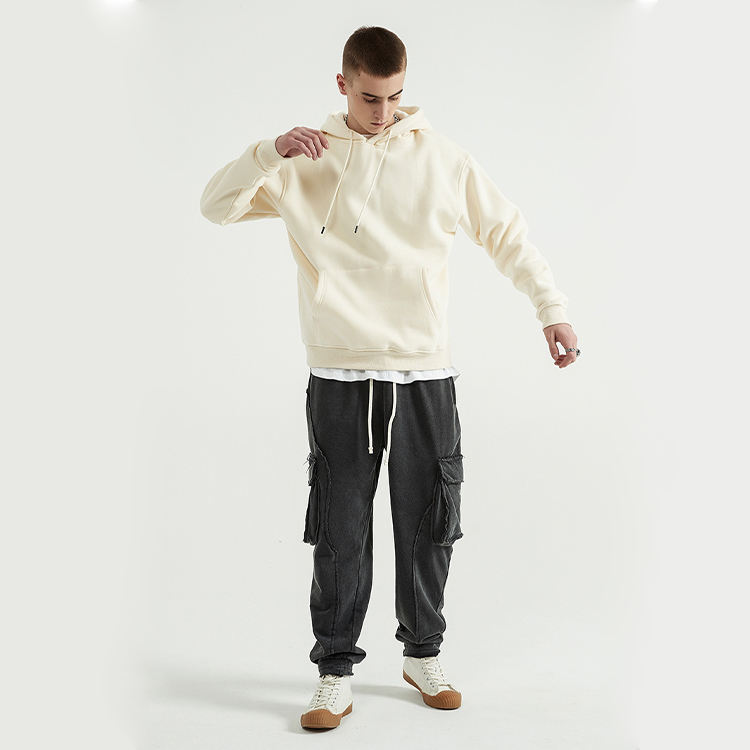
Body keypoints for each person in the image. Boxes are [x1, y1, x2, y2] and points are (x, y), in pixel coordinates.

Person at [199, 25, 580, 731]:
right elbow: (214, 207)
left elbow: (507, 234)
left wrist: (550, 310)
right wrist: (268, 151)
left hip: (424, 371)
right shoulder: (302, 161)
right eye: (371, 97)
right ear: (342, 84)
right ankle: (335, 670)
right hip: (340, 374)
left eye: (396, 97)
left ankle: (422, 653)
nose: (383, 112)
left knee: (430, 523)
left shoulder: (442, 158)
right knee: (339, 530)